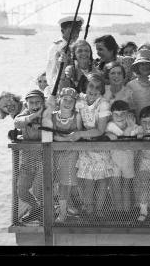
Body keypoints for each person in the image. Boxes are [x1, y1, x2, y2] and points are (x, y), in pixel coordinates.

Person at [74, 72, 115, 218]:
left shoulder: (103, 103)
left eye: (98, 87)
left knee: (102, 181)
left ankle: (99, 210)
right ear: (86, 85)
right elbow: (78, 126)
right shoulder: (80, 101)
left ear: (102, 90)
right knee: (87, 181)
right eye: (91, 85)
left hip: (100, 147)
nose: (94, 89)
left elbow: (100, 130)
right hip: (85, 147)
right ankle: (89, 210)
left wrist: (81, 134)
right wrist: (79, 134)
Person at [13, 89, 49, 224]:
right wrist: (33, 116)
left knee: (39, 190)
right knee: (21, 190)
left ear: (43, 102)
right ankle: (36, 208)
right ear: (26, 104)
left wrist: (41, 114)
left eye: (38, 102)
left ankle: (45, 214)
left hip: (43, 159)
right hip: (27, 160)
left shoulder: (47, 114)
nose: (35, 105)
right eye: (31, 103)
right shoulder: (25, 114)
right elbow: (17, 123)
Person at [49, 87, 82, 222]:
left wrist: (62, 138)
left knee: (66, 182)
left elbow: (78, 135)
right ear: (59, 100)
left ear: (75, 103)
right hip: (55, 153)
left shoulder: (77, 116)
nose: (67, 103)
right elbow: (51, 135)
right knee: (56, 182)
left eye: (71, 100)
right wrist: (65, 139)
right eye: (65, 99)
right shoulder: (52, 115)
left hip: (71, 153)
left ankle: (62, 214)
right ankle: (65, 206)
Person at [104, 100, 138, 217]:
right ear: (111, 115)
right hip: (114, 161)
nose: (119, 117)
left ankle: (127, 211)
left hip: (128, 161)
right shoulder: (110, 126)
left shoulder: (134, 127)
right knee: (115, 186)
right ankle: (118, 211)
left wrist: (131, 127)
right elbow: (120, 140)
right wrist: (129, 129)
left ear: (128, 114)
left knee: (127, 186)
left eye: (123, 113)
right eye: (116, 114)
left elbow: (134, 137)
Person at [45, 16, 84, 93]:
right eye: (71, 32)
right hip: (58, 88)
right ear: (62, 31)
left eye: (77, 31)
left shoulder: (77, 47)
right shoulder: (57, 48)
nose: (75, 34)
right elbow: (52, 71)